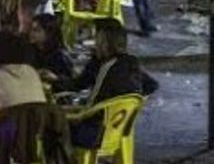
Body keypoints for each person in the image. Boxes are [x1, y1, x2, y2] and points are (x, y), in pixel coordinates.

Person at [66, 19, 159, 148]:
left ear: (105, 44)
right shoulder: (131, 62)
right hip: (119, 129)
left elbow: (89, 104)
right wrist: (131, 105)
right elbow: (152, 85)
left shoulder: (104, 66)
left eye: (96, 39)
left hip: (96, 133)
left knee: (49, 126)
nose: (94, 44)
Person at [29, 13, 75, 85]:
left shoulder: (60, 56)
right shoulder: (30, 50)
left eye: (36, 30)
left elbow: (72, 82)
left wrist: (56, 78)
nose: (31, 33)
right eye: (31, 29)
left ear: (49, 33)